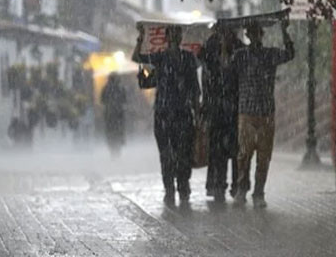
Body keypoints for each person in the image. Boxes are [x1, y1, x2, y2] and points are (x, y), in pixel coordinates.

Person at [132, 25, 200, 205]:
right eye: (172, 34)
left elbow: (194, 87)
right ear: (167, 38)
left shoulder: (188, 58)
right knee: (166, 154)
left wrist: (197, 110)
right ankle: (169, 188)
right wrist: (140, 38)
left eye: (178, 34)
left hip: (183, 113)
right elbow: (137, 58)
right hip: (164, 114)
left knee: (184, 153)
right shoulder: (160, 58)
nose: (175, 38)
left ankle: (183, 186)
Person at [232, 20, 294, 208]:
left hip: (266, 112)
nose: (255, 36)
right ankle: (242, 189)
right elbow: (226, 66)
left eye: (257, 33)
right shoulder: (240, 55)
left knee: (263, 157)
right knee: (244, 155)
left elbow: (290, 54)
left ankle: (259, 192)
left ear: (261, 34)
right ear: (248, 35)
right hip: (247, 112)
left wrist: (285, 31)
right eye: (251, 33)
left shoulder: (270, 54)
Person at [198, 24, 245, 202]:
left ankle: (235, 185)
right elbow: (206, 72)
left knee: (234, 149)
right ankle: (218, 185)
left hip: (233, 107)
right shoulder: (211, 47)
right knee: (218, 149)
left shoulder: (238, 48)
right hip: (217, 107)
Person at [101, 73, 127, 157]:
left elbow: (102, 100)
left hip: (109, 114)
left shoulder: (106, 88)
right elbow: (125, 100)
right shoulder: (121, 88)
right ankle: (117, 149)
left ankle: (113, 150)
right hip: (118, 114)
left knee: (110, 132)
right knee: (118, 131)